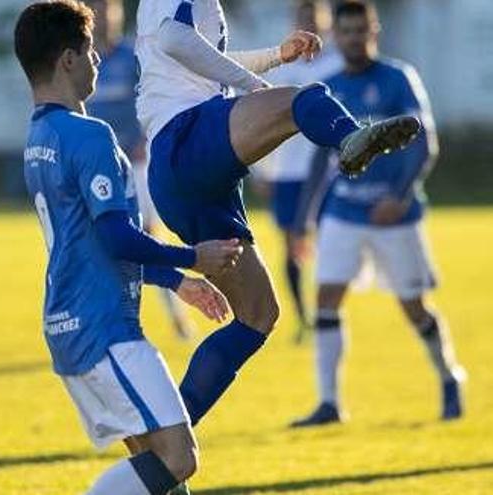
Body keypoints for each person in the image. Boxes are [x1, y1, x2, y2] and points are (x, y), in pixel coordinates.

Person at [135, 0, 422, 428]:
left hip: (181, 178)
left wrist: (273, 57)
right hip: (185, 138)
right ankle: (349, 139)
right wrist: (255, 86)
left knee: (258, 316)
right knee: (303, 102)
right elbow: (176, 41)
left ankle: (167, 437)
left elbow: (195, 57)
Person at [15, 2, 242, 493]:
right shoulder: (90, 135)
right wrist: (192, 257)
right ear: (68, 60)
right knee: (179, 458)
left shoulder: (38, 139)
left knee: (156, 470)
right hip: (106, 328)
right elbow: (117, 236)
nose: (98, 61)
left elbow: (100, 241)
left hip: (70, 324)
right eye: (90, 51)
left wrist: (177, 281)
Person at [290, 0, 466, 428]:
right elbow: (319, 160)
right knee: (326, 297)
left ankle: (449, 377)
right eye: (345, 32)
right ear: (336, 36)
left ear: (374, 31)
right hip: (343, 211)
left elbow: (425, 142)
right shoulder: (327, 87)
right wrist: (302, 218)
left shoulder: (397, 79)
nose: (353, 38)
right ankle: (329, 402)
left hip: (393, 215)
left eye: (360, 30)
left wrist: (400, 196)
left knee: (413, 306)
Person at [86, 0, 196, 340]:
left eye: (108, 8)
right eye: (96, 8)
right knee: (100, 240)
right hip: (98, 166)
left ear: (118, 13)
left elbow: (154, 96)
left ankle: (175, 312)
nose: (103, 16)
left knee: (145, 235)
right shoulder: (82, 61)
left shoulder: (132, 55)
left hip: (135, 162)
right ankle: (107, 318)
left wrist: (145, 138)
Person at [260, 0, 344, 344]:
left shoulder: (338, 66)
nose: (310, 23)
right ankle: (303, 317)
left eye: (315, 17)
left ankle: (328, 313)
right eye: (303, 18)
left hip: (329, 173)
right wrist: (261, 170)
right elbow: (263, 117)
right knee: (291, 245)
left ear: (324, 22)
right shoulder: (281, 67)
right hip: (287, 172)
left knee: (332, 242)